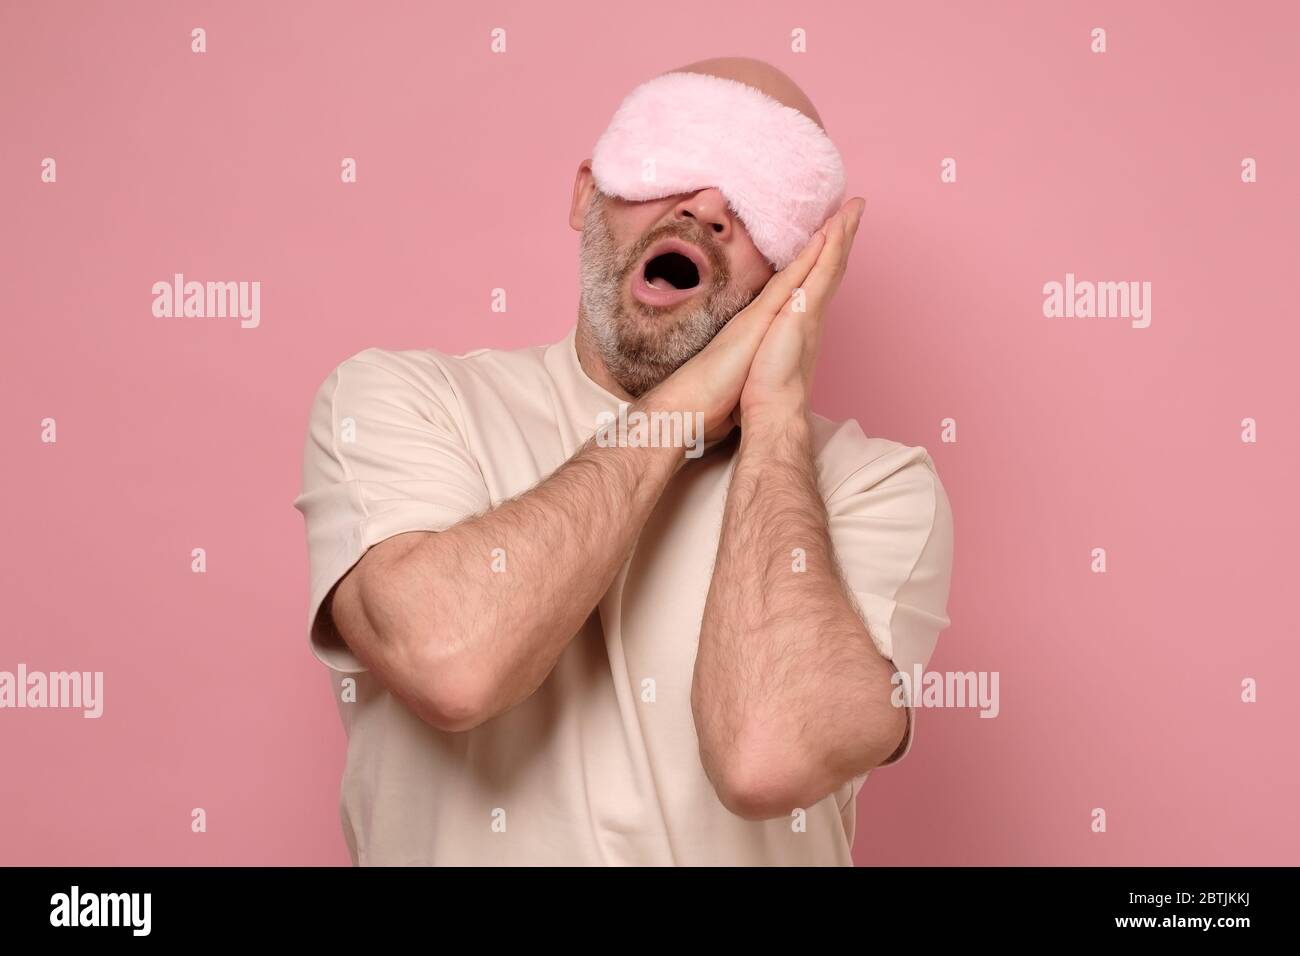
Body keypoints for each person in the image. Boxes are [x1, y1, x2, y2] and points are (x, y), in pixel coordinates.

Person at [293, 56, 954, 866]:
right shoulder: (402, 401)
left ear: (797, 275)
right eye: (676, 153)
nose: (708, 206)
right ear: (585, 192)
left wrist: (775, 410)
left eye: (764, 192)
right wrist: (682, 409)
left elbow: (765, 757)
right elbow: (450, 662)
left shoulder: (874, 486)